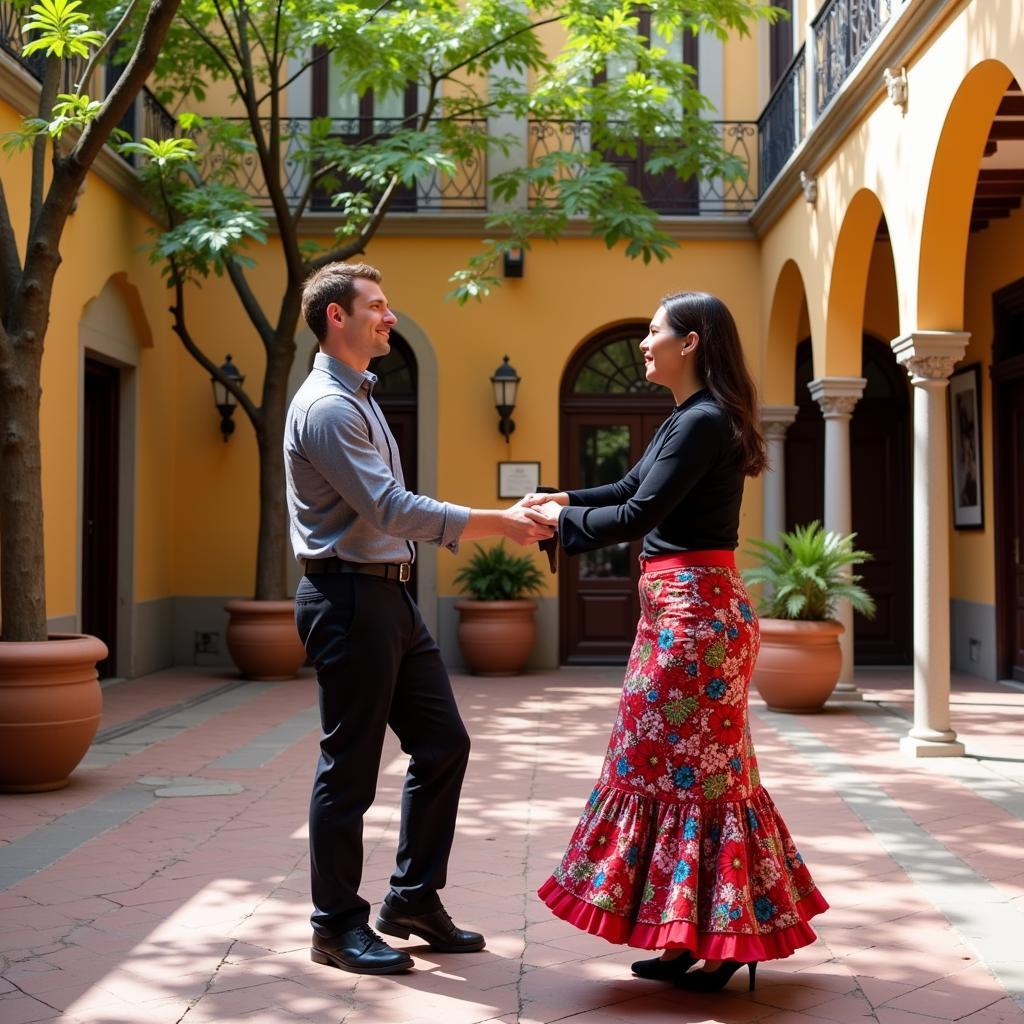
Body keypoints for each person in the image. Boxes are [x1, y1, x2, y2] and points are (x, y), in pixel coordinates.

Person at [524, 292, 828, 992]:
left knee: (684, 773)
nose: (644, 342)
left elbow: (639, 512)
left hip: (695, 622)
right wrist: (560, 498)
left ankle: (715, 941)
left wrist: (555, 527)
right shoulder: (687, 419)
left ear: (690, 342)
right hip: (682, 614)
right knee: (688, 773)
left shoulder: (704, 422)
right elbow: (631, 485)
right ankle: (693, 935)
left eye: (655, 332)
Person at [284, 261, 553, 976]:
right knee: (350, 769)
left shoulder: (362, 396)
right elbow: (389, 508)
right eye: (376, 305)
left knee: (442, 745)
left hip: (389, 596)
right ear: (335, 317)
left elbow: (391, 511)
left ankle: (410, 899)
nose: (390, 316)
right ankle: (335, 925)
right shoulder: (328, 408)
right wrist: (499, 520)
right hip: (347, 598)